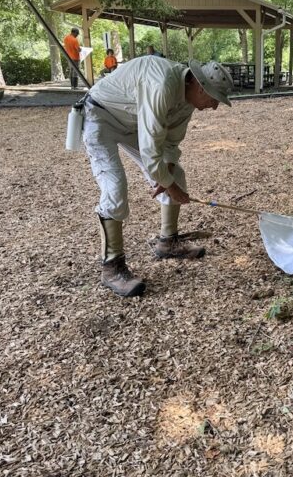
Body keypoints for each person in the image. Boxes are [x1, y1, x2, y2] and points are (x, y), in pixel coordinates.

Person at [82, 57, 234, 297]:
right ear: (197, 84)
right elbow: (150, 148)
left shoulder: (188, 100)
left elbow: (171, 142)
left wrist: (170, 173)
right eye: (213, 98)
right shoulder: (162, 84)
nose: (214, 107)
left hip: (133, 124)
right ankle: (111, 267)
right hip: (100, 116)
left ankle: (168, 242)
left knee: (177, 174)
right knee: (115, 187)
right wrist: (169, 186)